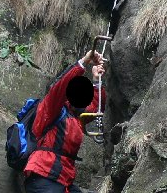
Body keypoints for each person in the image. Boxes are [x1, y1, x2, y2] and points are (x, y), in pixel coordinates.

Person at [24, 50, 107, 193]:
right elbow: (61, 87)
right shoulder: (51, 108)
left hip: (62, 179)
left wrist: (96, 81)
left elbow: (95, 109)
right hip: (43, 175)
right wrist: (84, 62)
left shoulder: (75, 118)